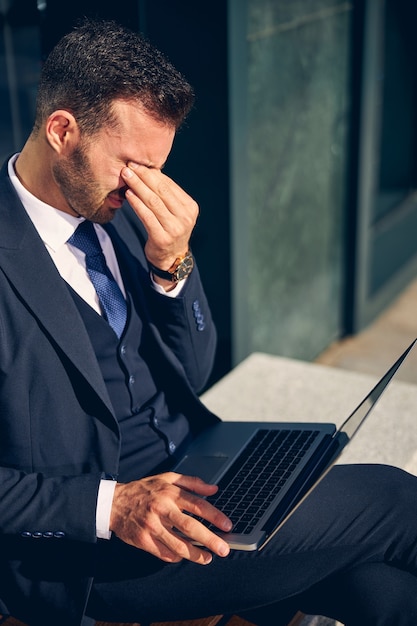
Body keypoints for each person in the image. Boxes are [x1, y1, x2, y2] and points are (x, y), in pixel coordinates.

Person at [1, 18, 417, 626]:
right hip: (106, 549)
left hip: (203, 469)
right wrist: (111, 505)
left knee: (383, 595)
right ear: (63, 129)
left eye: (157, 167)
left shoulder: (116, 210)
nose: (147, 186)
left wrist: (173, 266)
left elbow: (192, 372)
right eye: (133, 164)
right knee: (391, 496)